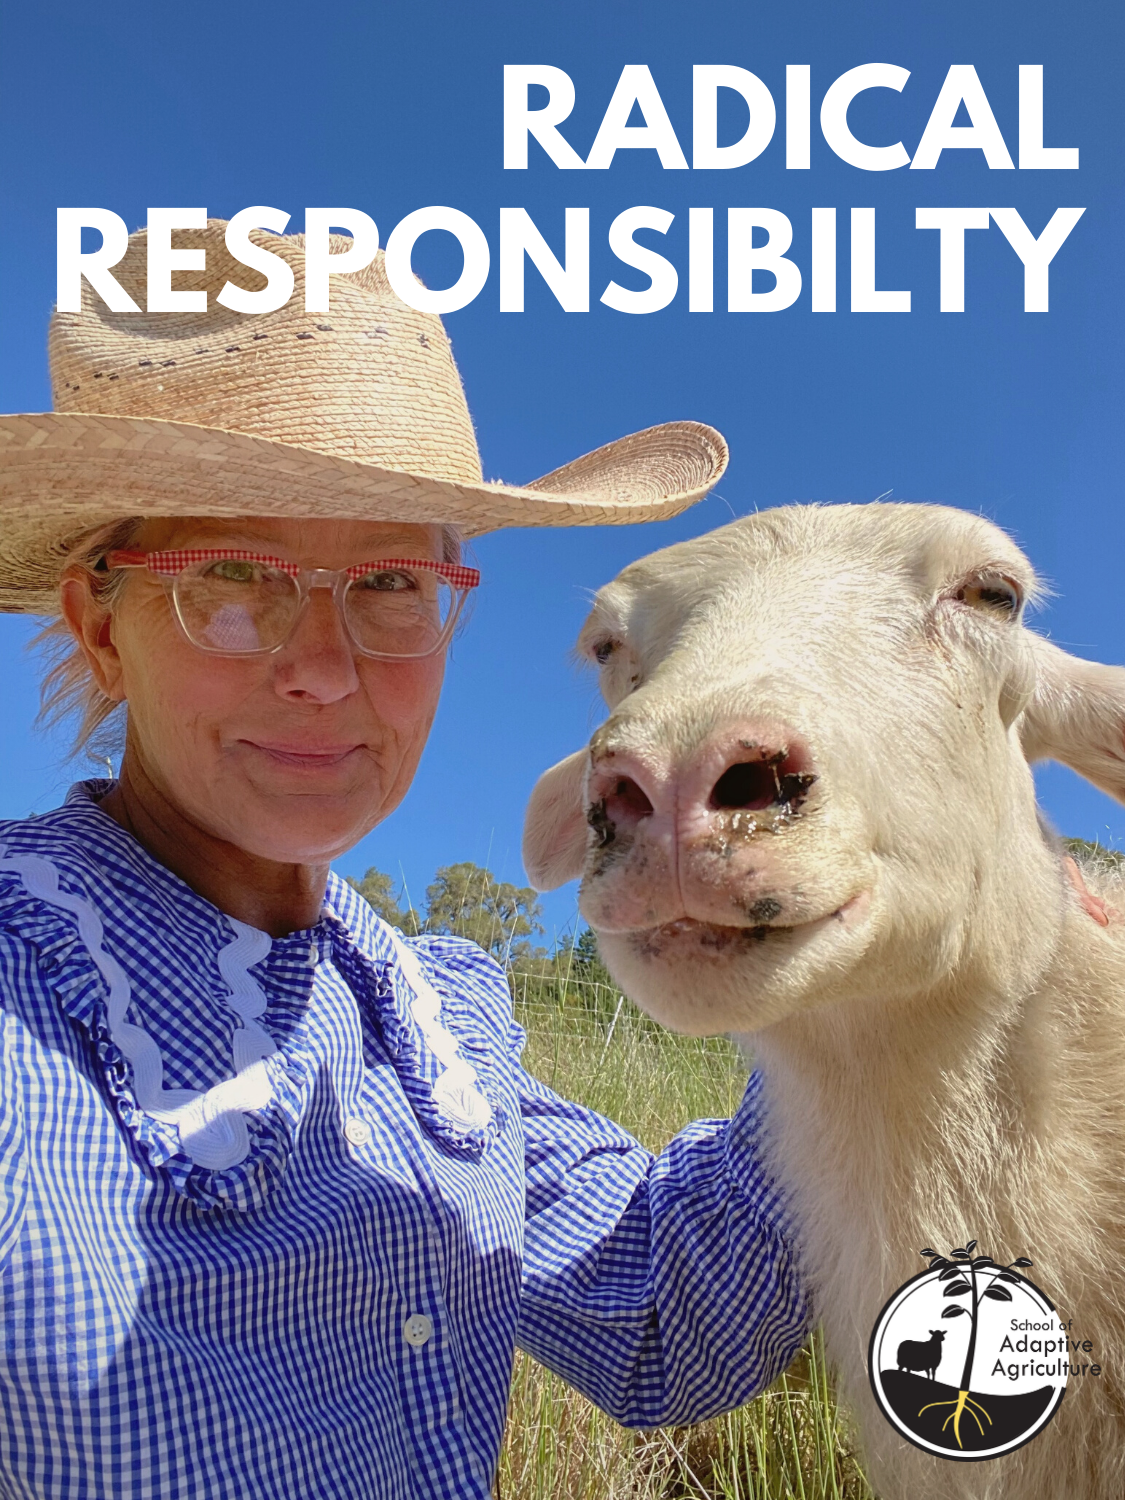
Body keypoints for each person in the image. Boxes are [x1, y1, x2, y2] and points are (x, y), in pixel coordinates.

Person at [0, 220, 808, 1499]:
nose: (324, 668)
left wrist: (871, 973)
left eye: (387, 583)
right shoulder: (24, 1006)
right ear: (103, 629)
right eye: (233, 577)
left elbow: (667, 1316)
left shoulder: (436, 1026)